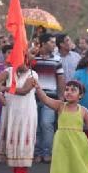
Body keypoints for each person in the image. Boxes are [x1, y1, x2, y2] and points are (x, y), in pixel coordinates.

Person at [0, 61, 38, 173]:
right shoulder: (9, 70)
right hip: (11, 112)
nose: (22, 63)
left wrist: (5, 89)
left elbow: (24, 91)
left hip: (26, 114)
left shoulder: (33, 74)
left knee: (23, 145)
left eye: (25, 60)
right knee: (13, 144)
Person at [33, 33, 65, 163]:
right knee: (35, 125)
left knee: (46, 124)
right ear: (44, 43)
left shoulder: (57, 59)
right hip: (33, 97)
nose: (54, 44)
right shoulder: (33, 58)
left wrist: (61, 97)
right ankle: (37, 153)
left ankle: (47, 152)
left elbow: (61, 79)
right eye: (51, 42)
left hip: (50, 97)